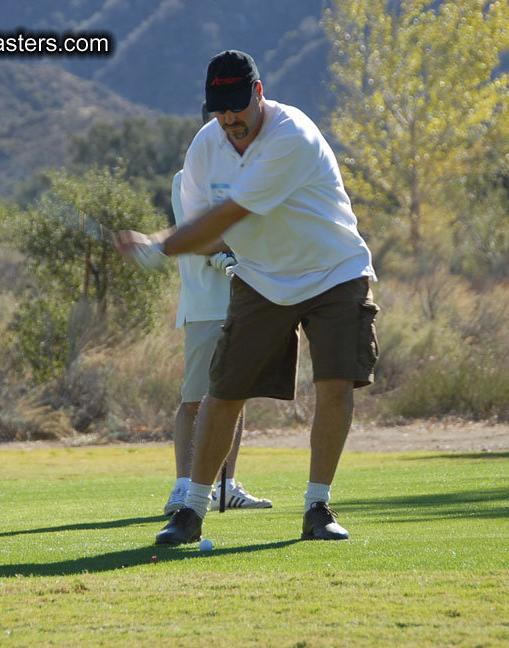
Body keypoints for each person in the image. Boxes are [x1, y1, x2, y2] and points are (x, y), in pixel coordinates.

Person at [116, 50, 378, 545]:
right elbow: (205, 229)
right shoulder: (205, 147)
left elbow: (230, 214)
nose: (230, 118)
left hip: (334, 270)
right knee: (224, 390)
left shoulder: (292, 135)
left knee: (335, 384)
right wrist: (177, 244)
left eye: (238, 105)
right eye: (220, 109)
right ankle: (191, 510)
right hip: (261, 277)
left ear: (259, 93)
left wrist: (160, 245)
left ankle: (318, 506)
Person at [164, 160, 272, 515]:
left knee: (233, 397)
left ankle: (225, 487)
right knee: (194, 399)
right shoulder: (186, 179)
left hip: (245, 300)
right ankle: (183, 488)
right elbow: (197, 238)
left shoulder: (247, 179)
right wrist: (237, 248)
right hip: (204, 307)